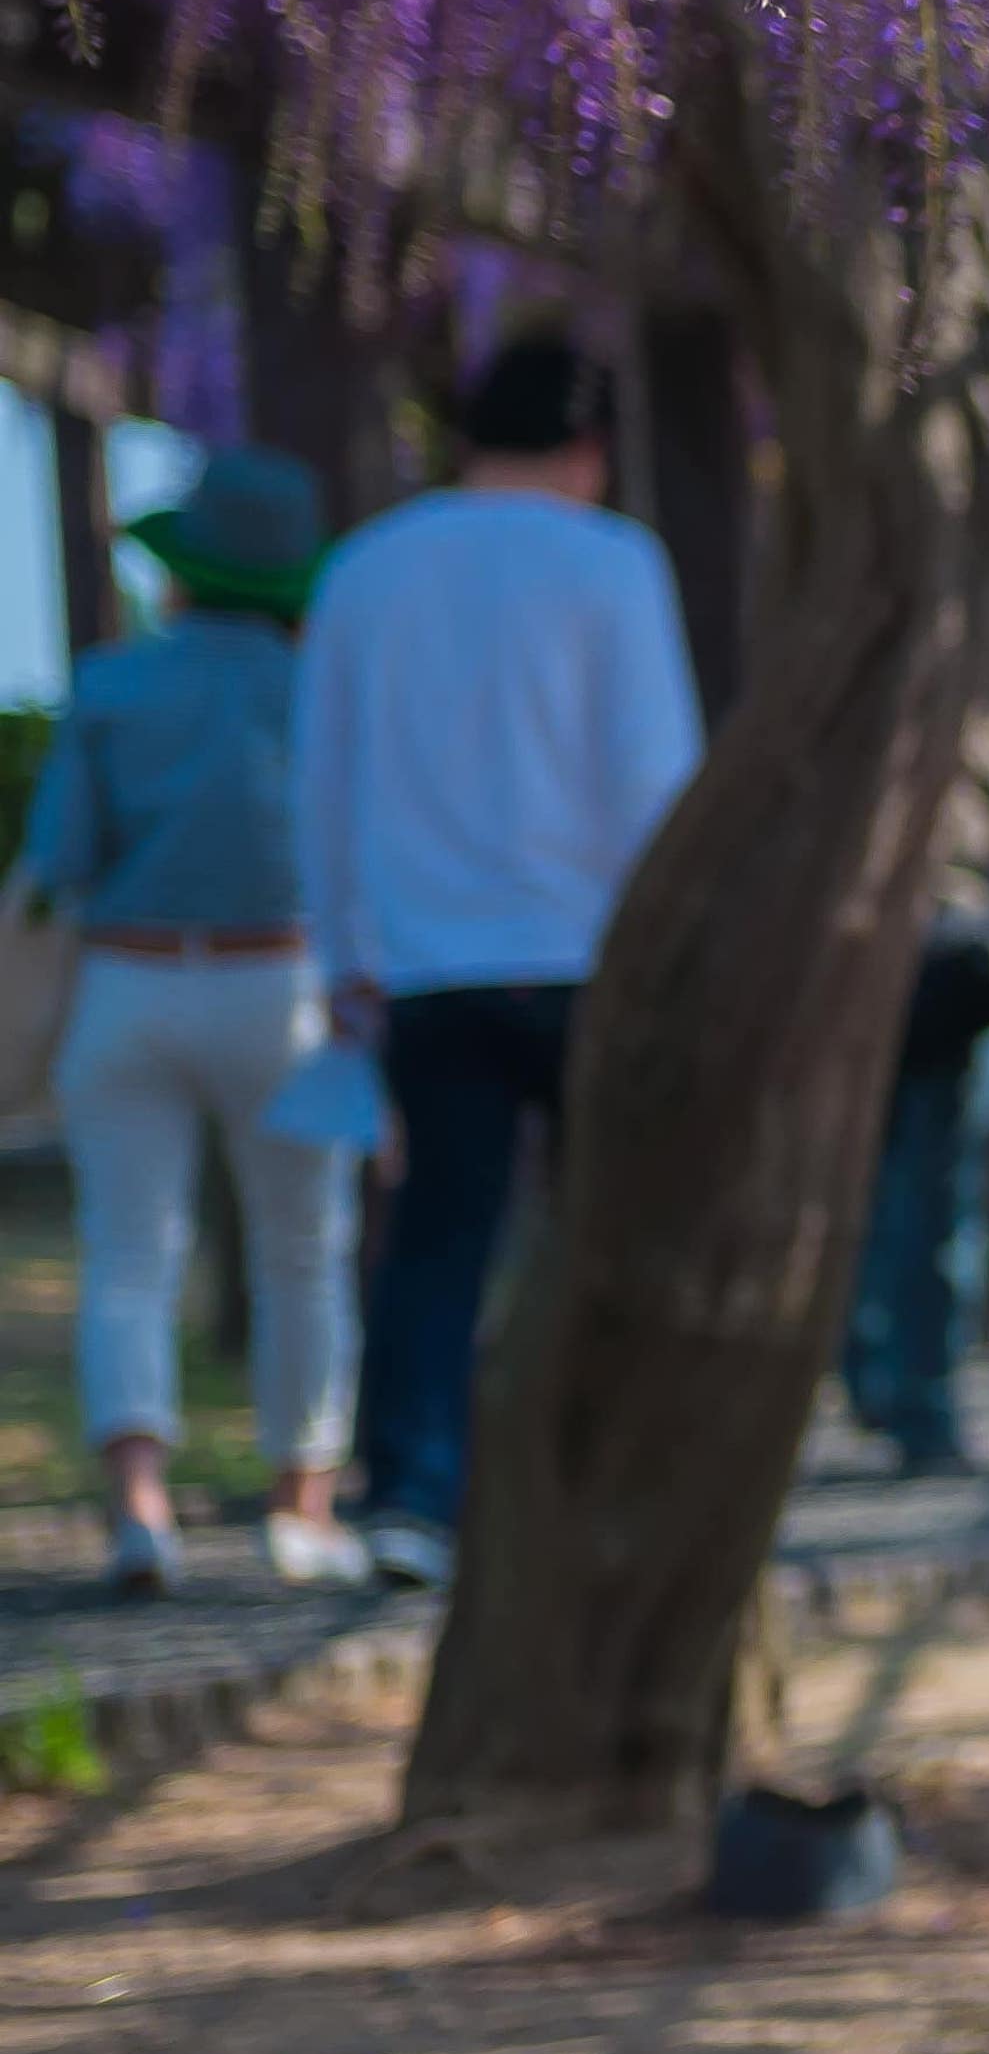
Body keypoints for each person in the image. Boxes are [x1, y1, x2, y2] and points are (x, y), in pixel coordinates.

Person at [297, 332, 705, 1588]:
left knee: (436, 1238)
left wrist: (345, 955)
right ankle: (612, 1486)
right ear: (589, 451)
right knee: (616, 1230)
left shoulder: (367, 569)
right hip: (591, 956)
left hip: (426, 964)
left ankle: (414, 1496)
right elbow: (657, 780)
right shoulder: (613, 562)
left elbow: (323, 785)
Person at [23, 448, 367, 1593]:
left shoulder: (113, 684)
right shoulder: (320, 692)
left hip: (129, 984)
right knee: (303, 1253)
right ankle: (301, 1510)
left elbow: (60, 861)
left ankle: (139, 1509)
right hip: (278, 983)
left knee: (127, 1253)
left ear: (184, 571)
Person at [839, 706, 989, 1477]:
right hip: (913, 975)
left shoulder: (975, 725)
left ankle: (897, 1385)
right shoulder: (980, 726)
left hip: (930, 980)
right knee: (926, 1202)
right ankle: (906, 1390)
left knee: (914, 1197)